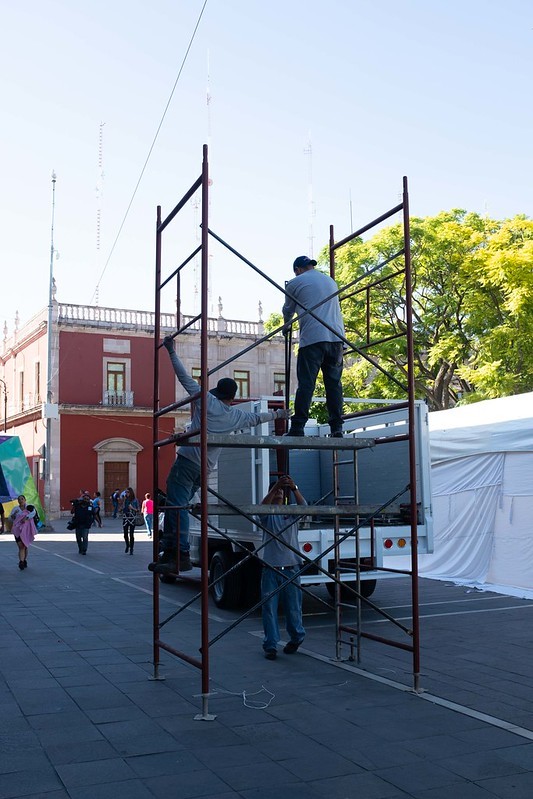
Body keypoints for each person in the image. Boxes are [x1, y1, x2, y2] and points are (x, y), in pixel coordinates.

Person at [149, 335, 290, 574]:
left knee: (177, 505)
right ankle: (173, 549)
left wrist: (171, 352)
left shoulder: (207, 401)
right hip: (205, 468)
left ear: (218, 393)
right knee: (178, 504)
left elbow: (184, 378)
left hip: (188, 461)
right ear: (232, 397)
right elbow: (259, 417)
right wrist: (280, 415)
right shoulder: (236, 416)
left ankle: (179, 553)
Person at [282, 255, 345, 437]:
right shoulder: (330, 281)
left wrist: (287, 325)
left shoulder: (294, 283)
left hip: (312, 339)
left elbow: (288, 310)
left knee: (306, 384)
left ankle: (298, 427)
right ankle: (337, 428)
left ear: (297, 269)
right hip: (336, 339)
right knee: (334, 385)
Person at [257, 475, 307, 660]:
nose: (279, 493)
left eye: (280, 491)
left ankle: (297, 637)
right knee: (269, 608)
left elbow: (305, 508)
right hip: (271, 568)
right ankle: (271, 645)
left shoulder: (291, 511)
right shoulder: (268, 516)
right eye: (276, 490)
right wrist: (274, 487)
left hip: (292, 567)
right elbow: (260, 511)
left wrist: (294, 487)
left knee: (293, 607)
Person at [12, 503, 38, 570]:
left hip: (25, 531)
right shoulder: (16, 509)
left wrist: (26, 518)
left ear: (25, 500)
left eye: (22, 499)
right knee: (21, 547)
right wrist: (14, 514)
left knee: (24, 547)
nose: (21, 500)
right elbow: (11, 519)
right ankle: (21, 561)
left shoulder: (30, 510)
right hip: (18, 531)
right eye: (19, 499)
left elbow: (33, 514)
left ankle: (23, 560)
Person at [122, 487, 140, 554]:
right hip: (125, 518)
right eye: (126, 492)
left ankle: (131, 548)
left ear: (131, 492)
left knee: (131, 534)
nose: (126, 493)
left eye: (127, 492)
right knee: (125, 534)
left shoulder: (135, 500)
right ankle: (127, 545)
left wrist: (132, 508)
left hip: (132, 518)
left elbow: (138, 510)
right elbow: (123, 507)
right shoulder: (125, 500)